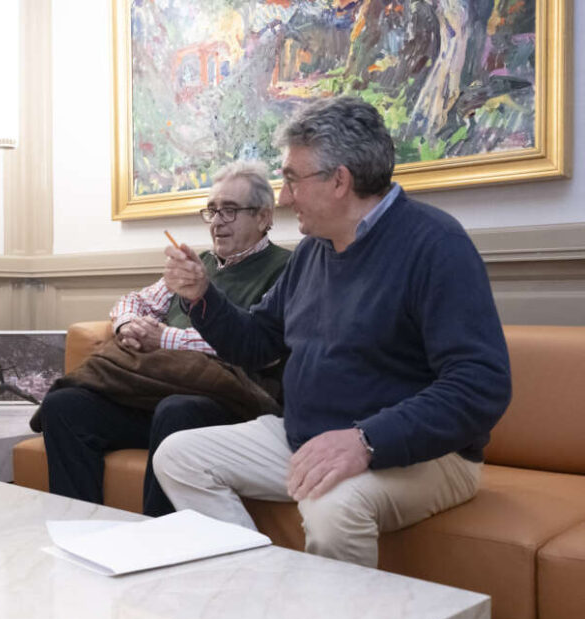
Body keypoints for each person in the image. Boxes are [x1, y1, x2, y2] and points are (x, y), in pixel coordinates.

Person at [155, 97, 512, 567]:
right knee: (178, 456)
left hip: (427, 454)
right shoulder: (312, 252)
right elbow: (258, 341)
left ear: (339, 181)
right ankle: (259, 586)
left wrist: (366, 440)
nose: (284, 198)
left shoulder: (436, 245)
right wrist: (202, 296)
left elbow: (481, 385)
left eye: (292, 180)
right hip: (308, 437)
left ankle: (333, 618)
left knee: (332, 509)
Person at [38, 161, 291, 516]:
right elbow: (134, 301)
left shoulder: (286, 269)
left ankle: (158, 537)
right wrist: (128, 325)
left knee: (176, 410)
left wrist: (165, 339)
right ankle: (82, 530)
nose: (217, 222)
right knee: (64, 406)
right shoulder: (198, 265)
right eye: (212, 210)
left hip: (231, 399)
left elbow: (257, 344)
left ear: (264, 217)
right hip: (161, 388)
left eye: (230, 210)